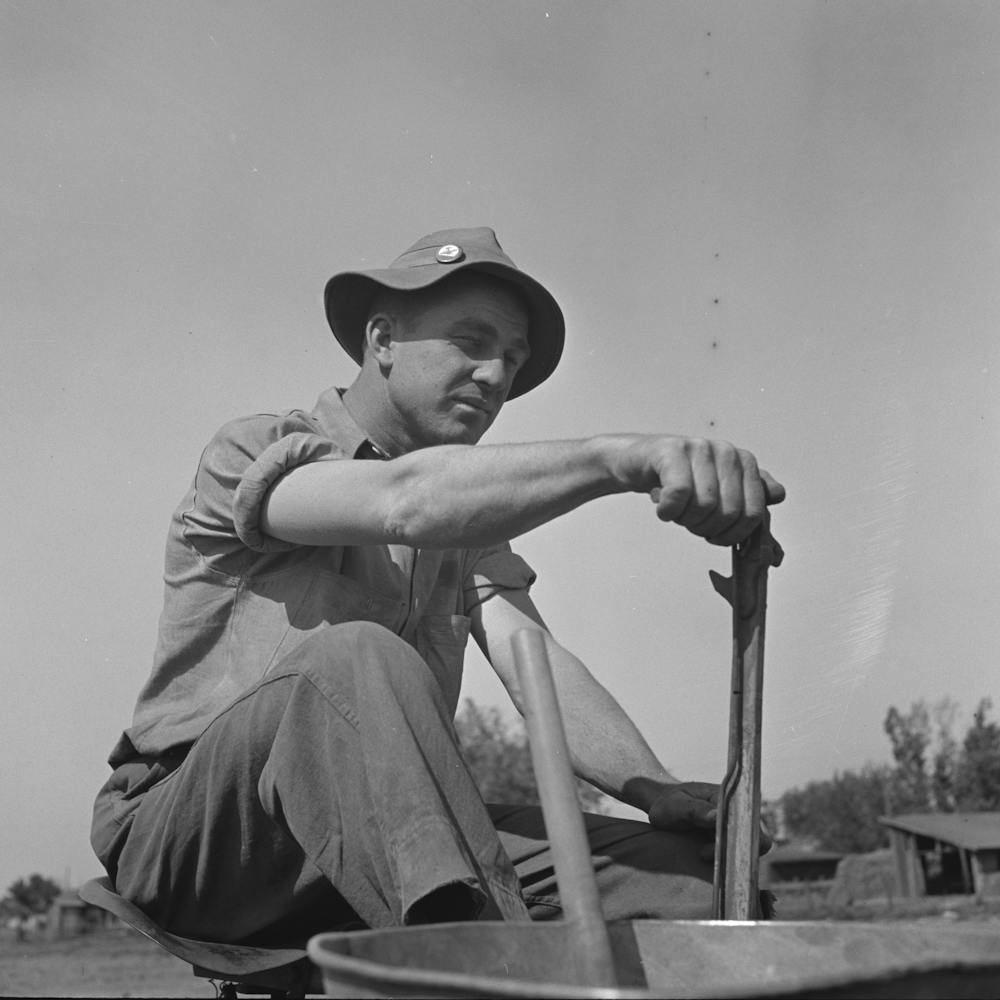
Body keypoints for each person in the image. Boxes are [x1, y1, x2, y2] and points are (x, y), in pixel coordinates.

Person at [90, 227, 784, 947]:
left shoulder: (466, 529)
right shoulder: (254, 453)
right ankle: (494, 965)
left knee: (697, 883)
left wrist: (651, 786)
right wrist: (621, 459)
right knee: (356, 659)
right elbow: (404, 502)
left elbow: (535, 668)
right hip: (203, 840)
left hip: (374, 834)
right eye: (472, 342)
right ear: (383, 338)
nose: (496, 376)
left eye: (511, 359)